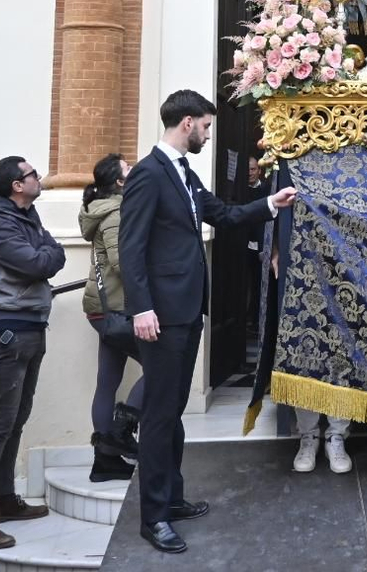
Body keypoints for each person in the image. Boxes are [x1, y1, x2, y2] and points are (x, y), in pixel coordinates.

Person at [120, 90, 296, 555]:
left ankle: (171, 498)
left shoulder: (183, 172)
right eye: (206, 126)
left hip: (186, 310)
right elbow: (130, 247)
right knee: (158, 416)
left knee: (173, 410)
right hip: (161, 315)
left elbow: (223, 214)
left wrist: (271, 204)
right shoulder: (148, 174)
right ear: (187, 124)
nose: (208, 134)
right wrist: (141, 308)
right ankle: (153, 517)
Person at [0, 155, 67, 549]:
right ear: (16, 185)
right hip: (7, 330)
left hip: (30, 324)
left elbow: (52, 253)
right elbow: (37, 262)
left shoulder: (26, 217)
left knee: (16, 418)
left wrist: (46, 254)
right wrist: (45, 255)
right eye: (31, 174)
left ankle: (4, 498)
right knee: (0, 422)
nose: (38, 177)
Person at [80, 152, 144, 482]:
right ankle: (121, 431)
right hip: (116, 310)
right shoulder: (117, 212)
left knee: (107, 381)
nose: (134, 168)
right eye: (128, 168)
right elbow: (124, 264)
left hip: (103, 310)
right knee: (162, 367)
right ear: (119, 181)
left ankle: (104, 463)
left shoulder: (103, 209)